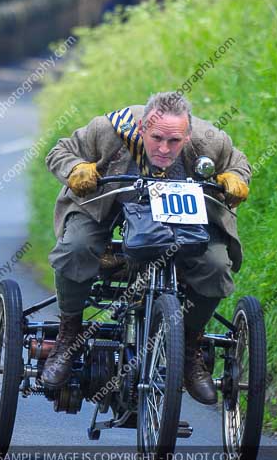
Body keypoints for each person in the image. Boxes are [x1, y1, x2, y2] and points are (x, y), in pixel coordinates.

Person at [41, 92, 251, 404]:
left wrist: (235, 177)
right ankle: (68, 336)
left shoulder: (210, 141)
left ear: (188, 135)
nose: (164, 149)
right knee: (75, 248)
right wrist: (75, 169)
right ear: (141, 128)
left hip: (180, 214)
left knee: (216, 266)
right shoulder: (108, 130)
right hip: (108, 201)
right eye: (156, 139)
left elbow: (239, 163)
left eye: (174, 141)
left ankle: (188, 348)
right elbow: (60, 151)